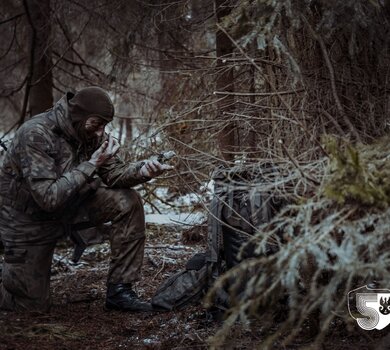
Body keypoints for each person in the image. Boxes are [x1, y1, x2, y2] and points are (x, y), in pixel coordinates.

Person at [0, 86, 172, 312]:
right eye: (96, 124)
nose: (101, 132)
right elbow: (47, 197)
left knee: (127, 202)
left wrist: (143, 171)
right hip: (27, 220)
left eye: (104, 125)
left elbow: (112, 173)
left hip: (69, 205)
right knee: (30, 305)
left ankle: (119, 292)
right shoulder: (35, 134)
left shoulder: (88, 132)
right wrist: (91, 164)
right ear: (78, 116)